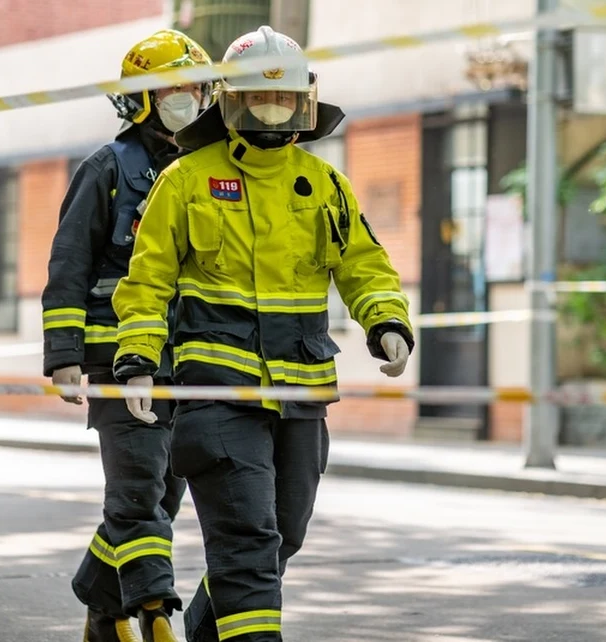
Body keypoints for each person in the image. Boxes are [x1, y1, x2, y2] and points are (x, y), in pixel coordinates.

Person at [110, 26, 415, 642]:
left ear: (305, 103)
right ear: (229, 102)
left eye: (284, 99)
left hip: (301, 394)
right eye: (258, 99)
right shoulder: (186, 179)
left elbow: (362, 263)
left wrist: (385, 320)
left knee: (281, 537)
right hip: (216, 395)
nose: (273, 111)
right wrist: (137, 359)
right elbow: (146, 282)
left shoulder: (324, 183)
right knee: (248, 540)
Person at [40, 29, 214, 642]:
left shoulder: (206, 171)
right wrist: (64, 357)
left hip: (190, 361)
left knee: (162, 498)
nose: (189, 101)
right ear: (142, 98)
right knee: (139, 494)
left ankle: (97, 599)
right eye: (175, 91)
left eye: (197, 89)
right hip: (116, 358)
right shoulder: (108, 169)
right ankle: (153, 615)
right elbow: (69, 265)